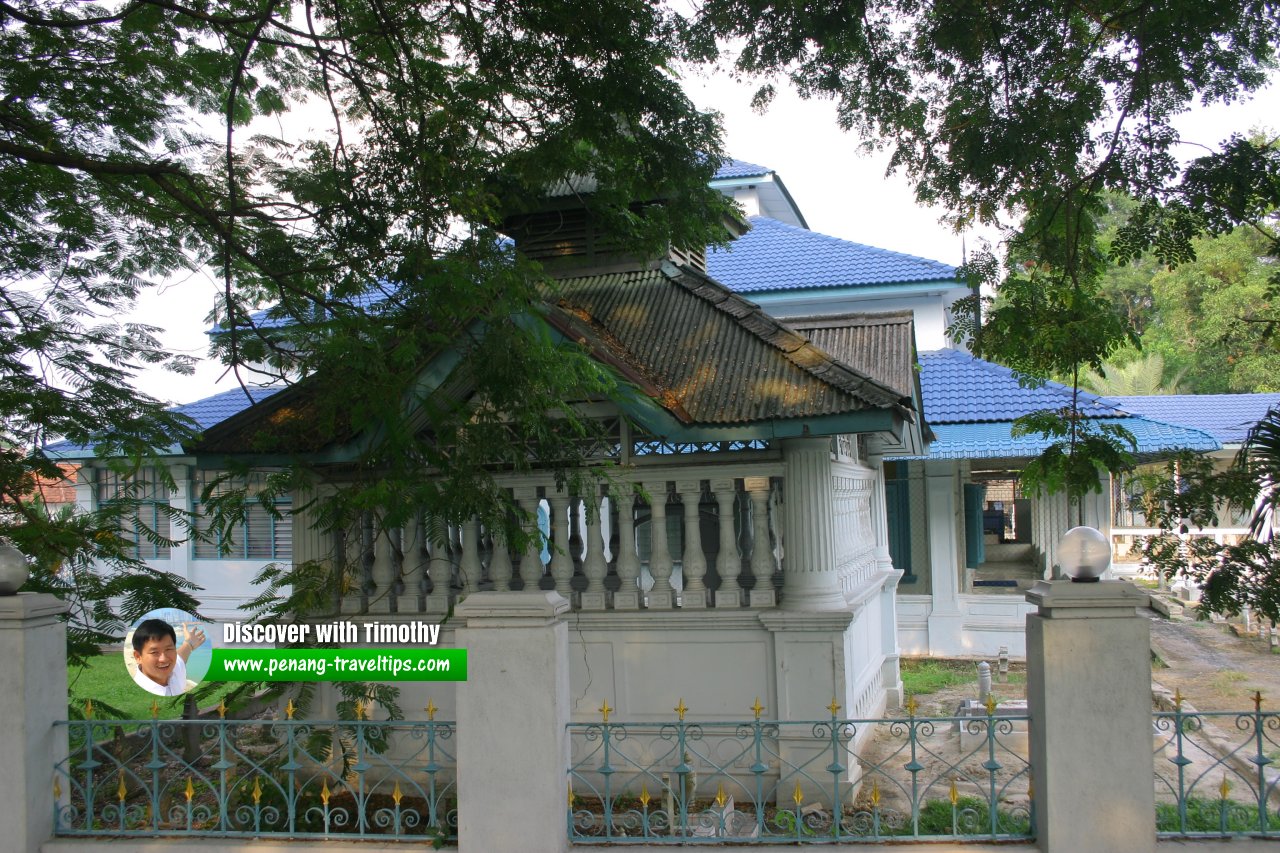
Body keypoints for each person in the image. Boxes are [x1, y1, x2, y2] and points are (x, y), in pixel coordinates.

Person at [130, 619, 206, 696]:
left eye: (168, 649)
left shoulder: (174, 670)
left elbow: (181, 656)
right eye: (154, 652)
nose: (164, 659)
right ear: (138, 657)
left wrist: (189, 643)